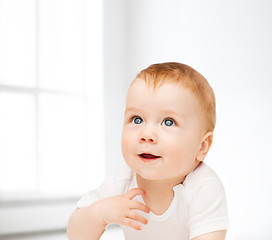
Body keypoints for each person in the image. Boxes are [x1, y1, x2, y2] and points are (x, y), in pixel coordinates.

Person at [67, 62, 229, 240]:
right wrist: (100, 213)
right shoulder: (124, 180)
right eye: (137, 119)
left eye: (168, 122)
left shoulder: (203, 187)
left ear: (202, 146)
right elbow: (76, 235)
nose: (146, 134)